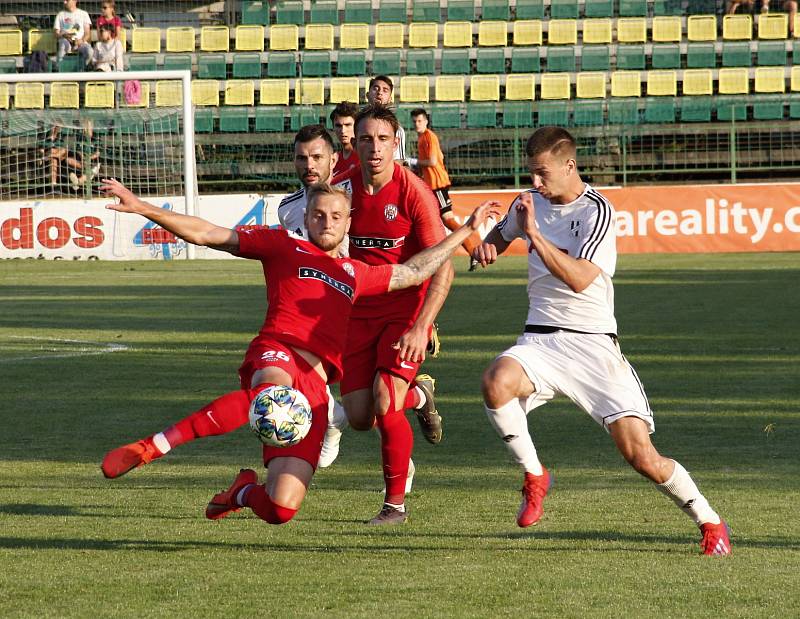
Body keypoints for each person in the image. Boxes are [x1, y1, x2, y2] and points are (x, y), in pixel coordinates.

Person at [99, 177, 498, 526]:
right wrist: (141, 207)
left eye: (336, 217)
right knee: (272, 394)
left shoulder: (354, 273)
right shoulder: (282, 245)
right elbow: (208, 233)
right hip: (278, 353)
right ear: (307, 218)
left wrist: (467, 231)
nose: (326, 223)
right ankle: (151, 447)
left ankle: (240, 493)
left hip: (315, 389)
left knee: (280, 509)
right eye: (319, 215)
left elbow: (414, 271)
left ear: (348, 223)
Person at [471, 126, 732, 556]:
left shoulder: (598, 212)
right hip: (540, 339)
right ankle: (535, 476)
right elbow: (492, 246)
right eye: (531, 173)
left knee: (642, 456)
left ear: (568, 165)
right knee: (495, 381)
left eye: (542, 173)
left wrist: (533, 235)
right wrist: (481, 242)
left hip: (593, 346)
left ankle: (709, 521)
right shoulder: (528, 204)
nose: (534, 183)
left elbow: (578, 279)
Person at [335, 105, 453, 525]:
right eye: (365, 139)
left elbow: (443, 264)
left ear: (396, 142)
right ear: (355, 143)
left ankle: (394, 506)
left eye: (383, 139)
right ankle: (421, 395)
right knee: (361, 417)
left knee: (387, 403)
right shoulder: (341, 190)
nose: (375, 148)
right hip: (358, 315)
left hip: (405, 311)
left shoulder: (413, 192)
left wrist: (422, 326)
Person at [410, 108, 482, 272]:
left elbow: (433, 161)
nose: (417, 124)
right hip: (430, 184)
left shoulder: (429, 136)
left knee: (448, 219)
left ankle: (473, 250)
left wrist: (413, 161)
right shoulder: (422, 138)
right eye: (414, 121)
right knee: (428, 220)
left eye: (419, 121)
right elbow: (439, 158)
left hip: (437, 184)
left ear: (426, 121)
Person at [365, 76, 407, 163]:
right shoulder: (357, 126)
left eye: (385, 90)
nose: (379, 92)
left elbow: (398, 162)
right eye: (376, 88)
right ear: (367, 95)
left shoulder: (397, 130)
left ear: (390, 99)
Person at [54, 0, 92, 68]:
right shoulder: (60, 15)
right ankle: (58, 69)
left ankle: (84, 69)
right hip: (65, 41)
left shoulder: (84, 14)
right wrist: (63, 35)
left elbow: (87, 34)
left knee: (90, 51)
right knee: (63, 45)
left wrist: (81, 41)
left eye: (67, 0)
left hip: (80, 42)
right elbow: (56, 34)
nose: (64, 2)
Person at [330, 102, 360, 177]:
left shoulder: (365, 156)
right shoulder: (333, 160)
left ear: (357, 126)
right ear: (333, 127)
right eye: (338, 126)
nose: (343, 130)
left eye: (347, 125)